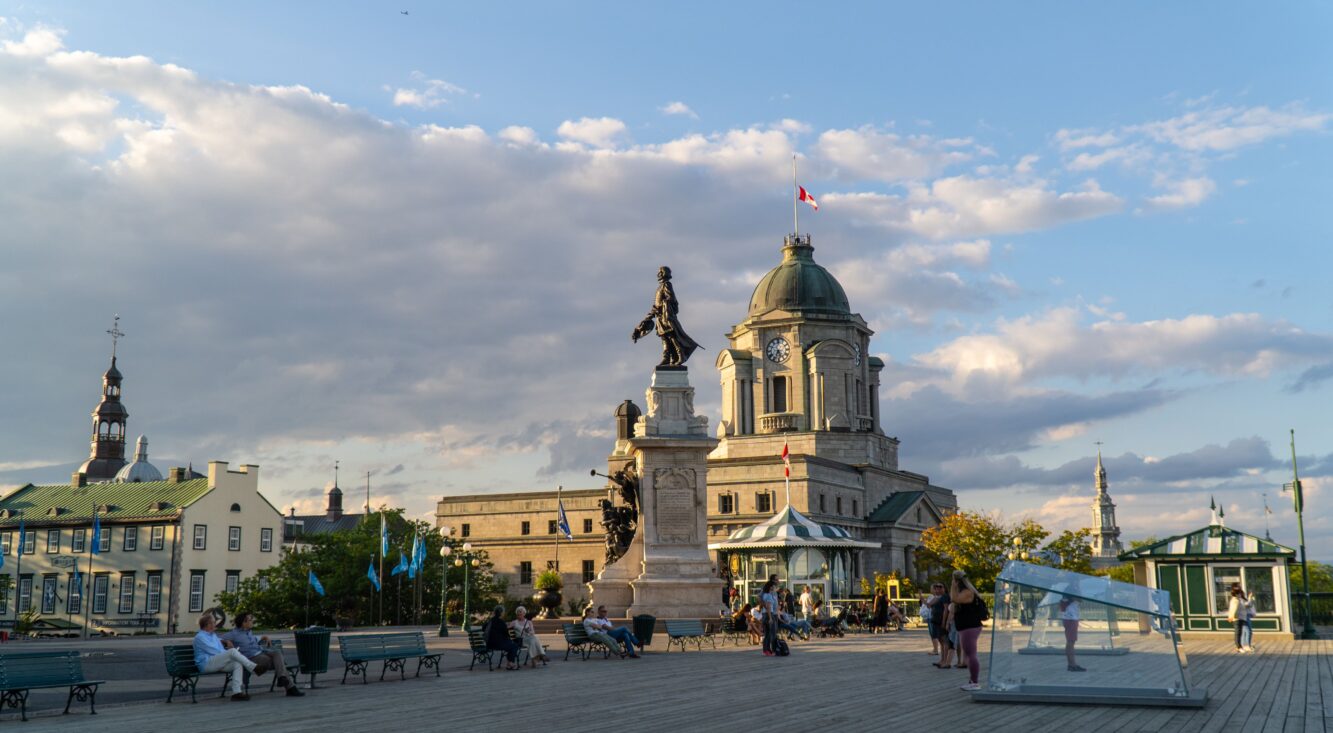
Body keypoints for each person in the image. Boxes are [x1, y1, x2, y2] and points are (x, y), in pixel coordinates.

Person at [222, 612, 305, 696]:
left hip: (261, 653)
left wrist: (264, 637)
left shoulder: (249, 632)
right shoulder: (234, 634)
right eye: (250, 620)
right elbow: (218, 639)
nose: (252, 622)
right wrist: (226, 641)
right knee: (279, 664)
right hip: (251, 658)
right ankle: (290, 688)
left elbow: (253, 639)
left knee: (277, 652)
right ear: (244, 623)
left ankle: (282, 678)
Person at [194, 613, 260, 701]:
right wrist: (229, 653)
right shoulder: (200, 637)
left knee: (237, 663)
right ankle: (253, 667)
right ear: (207, 625)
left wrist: (226, 643)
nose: (215, 624)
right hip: (206, 664)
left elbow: (220, 644)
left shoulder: (213, 635)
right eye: (213, 622)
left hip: (216, 662)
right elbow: (214, 651)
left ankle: (237, 693)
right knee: (232, 651)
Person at [951, 569, 985, 691]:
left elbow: (954, 599)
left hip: (969, 626)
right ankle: (972, 680)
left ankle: (975, 682)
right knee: (969, 654)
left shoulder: (967, 592)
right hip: (967, 626)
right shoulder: (968, 591)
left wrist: (952, 585)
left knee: (971, 655)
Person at [485, 604, 522, 670]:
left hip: (489, 644)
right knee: (514, 646)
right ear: (501, 613)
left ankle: (509, 664)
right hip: (498, 644)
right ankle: (511, 663)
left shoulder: (490, 620)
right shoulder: (501, 622)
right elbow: (506, 634)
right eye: (503, 612)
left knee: (510, 645)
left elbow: (483, 628)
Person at [1058, 595, 1085, 672]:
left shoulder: (1072, 589)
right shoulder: (1071, 589)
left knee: (1071, 641)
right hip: (1070, 618)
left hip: (1071, 617)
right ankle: (1072, 664)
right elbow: (1078, 599)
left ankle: (1072, 664)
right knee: (1070, 641)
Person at [1228, 584, 1255, 653]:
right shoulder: (1235, 600)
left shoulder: (1240, 599)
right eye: (1239, 593)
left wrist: (1250, 598)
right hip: (1238, 618)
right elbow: (1233, 609)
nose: (1240, 594)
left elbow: (1247, 605)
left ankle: (1244, 646)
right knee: (1240, 632)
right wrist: (1231, 616)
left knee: (1244, 632)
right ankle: (1240, 646)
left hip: (1242, 617)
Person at [924, 584, 948, 656]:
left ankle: (945, 659)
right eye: (936, 588)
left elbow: (946, 610)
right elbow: (929, 605)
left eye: (940, 587)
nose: (938, 589)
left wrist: (944, 622)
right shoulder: (937, 597)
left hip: (941, 620)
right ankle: (942, 659)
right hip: (935, 619)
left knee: (943, 640)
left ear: (944, 588)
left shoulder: (945, 597)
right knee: (940, 639)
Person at [759, 580, 780, 656]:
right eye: (774, 586)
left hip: (765, 614)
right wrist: (770, 618)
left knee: (767, 633)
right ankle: (768, 650)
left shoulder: (765, 595)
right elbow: (768, 607)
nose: (775, 588)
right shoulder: (768, 595)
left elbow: (764, 605)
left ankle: (766, 650)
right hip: (768, 614)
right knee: (770, 633)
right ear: (771, 587)